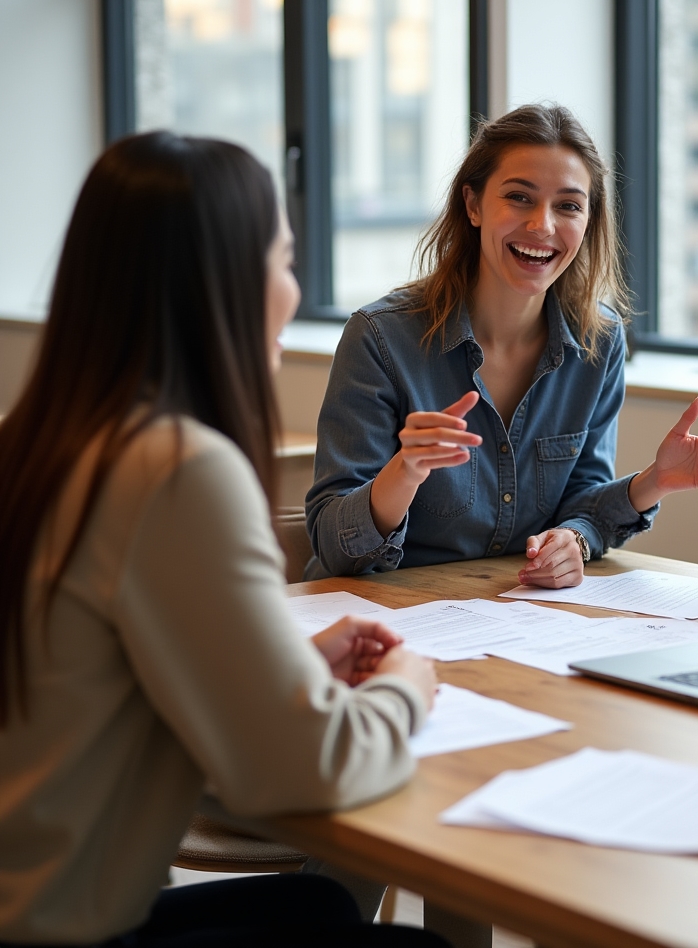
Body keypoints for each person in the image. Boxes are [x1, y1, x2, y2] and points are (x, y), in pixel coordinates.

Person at [0, 133, 446, 948]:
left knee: (317, 909)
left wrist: (287, 669)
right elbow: (305, 766)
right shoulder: (175, 469)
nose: (292, 286)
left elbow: (97, 675)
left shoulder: (39, 440)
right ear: (220, 282)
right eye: (282, 259)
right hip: (63, 930)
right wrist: (406, 688)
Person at [306, 104, 698, 585]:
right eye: (519, 197)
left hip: (515, 618)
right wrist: (405, 471)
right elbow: (332, 544)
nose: (543, 226)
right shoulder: (380, 337)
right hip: (385, 619)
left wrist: (639, 492)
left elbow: (583, 504)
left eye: (569, 205)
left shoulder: (600, 341)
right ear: (473, 205)